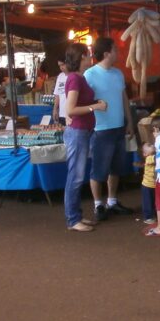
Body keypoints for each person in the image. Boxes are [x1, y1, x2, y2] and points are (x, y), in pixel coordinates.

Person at [84, 38, 134, 220]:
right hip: (100, 128)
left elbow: (124, 98)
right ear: (106, 54)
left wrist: (129, 121)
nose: (118, 53)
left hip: (118, 126)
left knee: (116, 167)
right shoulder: (89, 75)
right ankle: (98, 205)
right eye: (115, 50)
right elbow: (83, 101)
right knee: (98, 168)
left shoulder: (118, 74)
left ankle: (112, 201)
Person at [63, 43, 107, 232]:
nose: (91, 57)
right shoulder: (75, 79)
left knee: (77, 175)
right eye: (88, 55)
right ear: (81, 57)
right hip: (78, 131)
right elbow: (70, 109)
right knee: (76, 176)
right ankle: (73, 219)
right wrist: (94, 107)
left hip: (83, 131)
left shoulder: (79, 78)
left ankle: (76, 216)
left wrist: (94, 104)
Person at [137, 143, 157, 225]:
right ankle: (148, 217)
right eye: (149, 145)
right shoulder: (149, 158)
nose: (151, 145)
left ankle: (157, 215)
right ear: (145, 154)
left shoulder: (154, 156)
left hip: (155, 185)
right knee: (148, 202)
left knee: (155, 201)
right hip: (147, 185)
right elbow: (157, 158)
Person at [52, 59, 69, 125]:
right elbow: (57, 94)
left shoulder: (75, 75)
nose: (61, 68)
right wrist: (55, 109)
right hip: (62, 114)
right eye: (59, 65)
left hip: (72, 114)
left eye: (63, 64)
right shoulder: (60, 76)